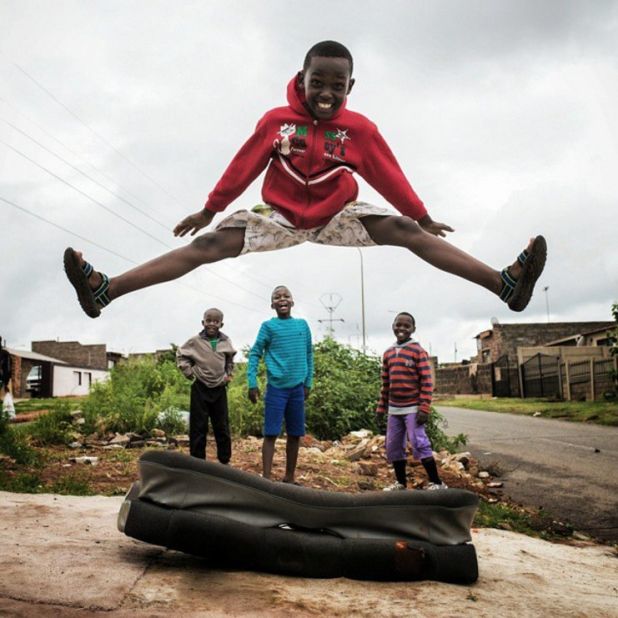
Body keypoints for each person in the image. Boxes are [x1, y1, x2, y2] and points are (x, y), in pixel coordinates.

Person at [63, 40, 546, 319]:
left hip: (338, 214)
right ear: (302, 77)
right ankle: (107, 289)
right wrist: (210, 209)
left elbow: (388, 173)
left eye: (338, 86)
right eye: (319, 82)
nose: (327, 94)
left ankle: (504, 285)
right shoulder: (277, 122)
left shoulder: (359, 131)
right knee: (207, 247)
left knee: (405, 232)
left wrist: (422, 216)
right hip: (281, 215)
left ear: (350, 88)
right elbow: (244, 165)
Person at [247, 285, 313, 483]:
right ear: (272, 304)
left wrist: (308, 381)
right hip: (276, 388)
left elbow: (309, 354)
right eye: (277, 297)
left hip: (297, 389)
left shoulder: (302, 325)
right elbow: (255, 353)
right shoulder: (268, 327)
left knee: (295, 433)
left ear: (292, 301)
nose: (282, 299)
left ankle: (289, 477)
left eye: (286, 296)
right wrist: (252, 382)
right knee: (271, 433)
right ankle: (266, 479)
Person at [376, 312, 446, 491]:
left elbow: (426, 381)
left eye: (406, 326)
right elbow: (385, 383)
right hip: (394, 409)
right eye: (398, 325)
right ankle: (400, 483)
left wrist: (424, 407)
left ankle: (437, 482)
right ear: (393, 326)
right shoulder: (388, 353)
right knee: (393, 445)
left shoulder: (417, 351)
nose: (401, 329)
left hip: (413, 408)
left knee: (419, 442)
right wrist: (381, 407)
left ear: (413, 329)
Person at [176, 308, 236, 464]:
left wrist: (228, 375)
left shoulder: (226, 341)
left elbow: (230, 359)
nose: (212, 324)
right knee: (198, 426)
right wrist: (188, 372)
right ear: (203, 322)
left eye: (216, 321)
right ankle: (197, 462)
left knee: (221, 425)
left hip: (219, 388)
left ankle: (224, 460)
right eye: (208, 320)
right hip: (200, 387)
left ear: (221, 324)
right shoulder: (194, 341)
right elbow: (181, 355)